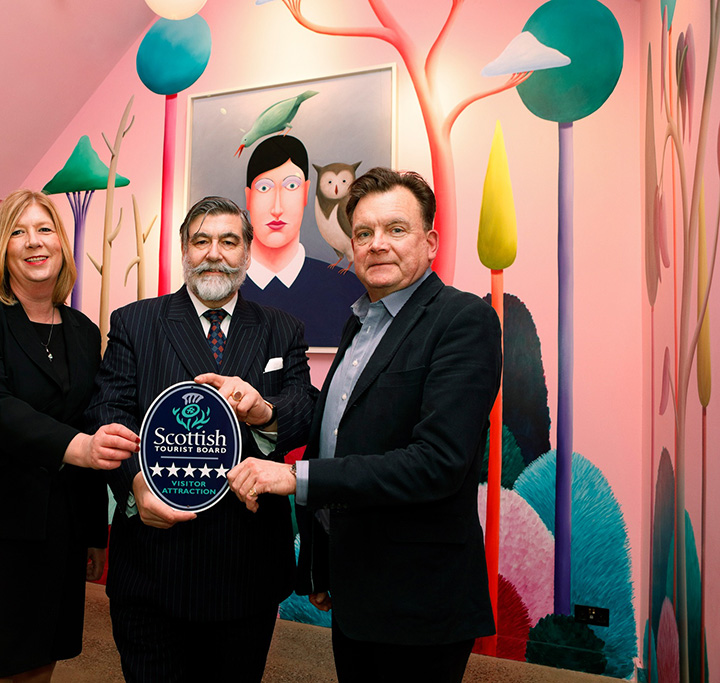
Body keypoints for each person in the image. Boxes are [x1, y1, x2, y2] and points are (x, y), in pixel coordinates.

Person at [227, 168, 502, 682]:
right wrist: (323, 561)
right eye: (364, 232)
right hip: (355, 585)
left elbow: (437, 464)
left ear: (431, 241)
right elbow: (336, 438)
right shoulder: (361, 320)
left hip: (418, 596)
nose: (377, 245)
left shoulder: (462, 321)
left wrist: (294, 480)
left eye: (396, 229)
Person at [86, 196, 318, 683]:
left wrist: (263, 410)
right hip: (154, 563)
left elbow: (305, 406)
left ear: (247, 251)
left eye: (229, 241)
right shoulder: (136, 323)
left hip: (247, 565)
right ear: (184, 250)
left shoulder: (283, 328)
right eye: (202, 241)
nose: (215, 253)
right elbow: (108, 410)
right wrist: (135, 488)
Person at [0, 189, 140, 683]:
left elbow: (91, 421)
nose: (33, 242)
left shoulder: (85, 332)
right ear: (3, 248)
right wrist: (80, 449)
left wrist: (94, 533)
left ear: (61, 244)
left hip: (59, 530)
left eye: (44, 230)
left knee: (41, 658)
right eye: (18, 232)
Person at [240, 135, 363, 348]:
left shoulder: (350, 291)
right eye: (264, 188)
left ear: (306, 193)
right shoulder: (222, 291)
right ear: (248, 197)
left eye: (291, 186)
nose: (277, 208)